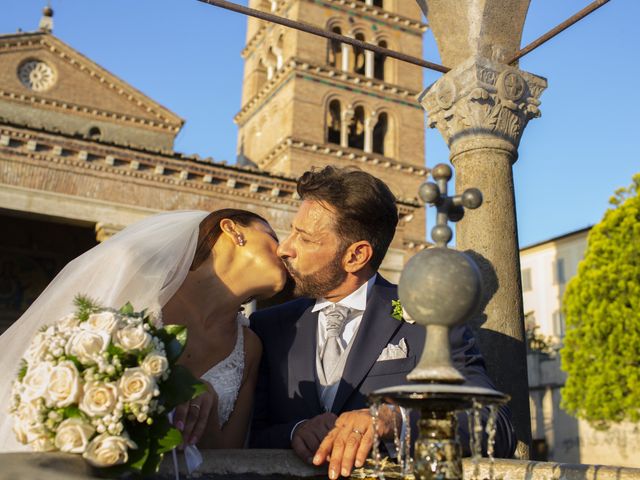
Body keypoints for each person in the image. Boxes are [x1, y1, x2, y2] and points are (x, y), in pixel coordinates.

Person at [249, 166, 516, 479]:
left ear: (356, 256)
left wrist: (397, 420)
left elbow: (495, 425)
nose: (285, 248)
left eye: (305, 239)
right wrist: (294, 432)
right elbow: (244, 432)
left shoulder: (425, 317)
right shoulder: (268, 326)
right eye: (293, 231)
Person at [0, 209, 287, 453]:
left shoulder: (249, 347)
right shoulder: (134, 280)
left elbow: (230, 461)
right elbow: (53, 383)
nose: (285, 250)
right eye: (273, 237)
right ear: (233, 230)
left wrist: (205, 408)